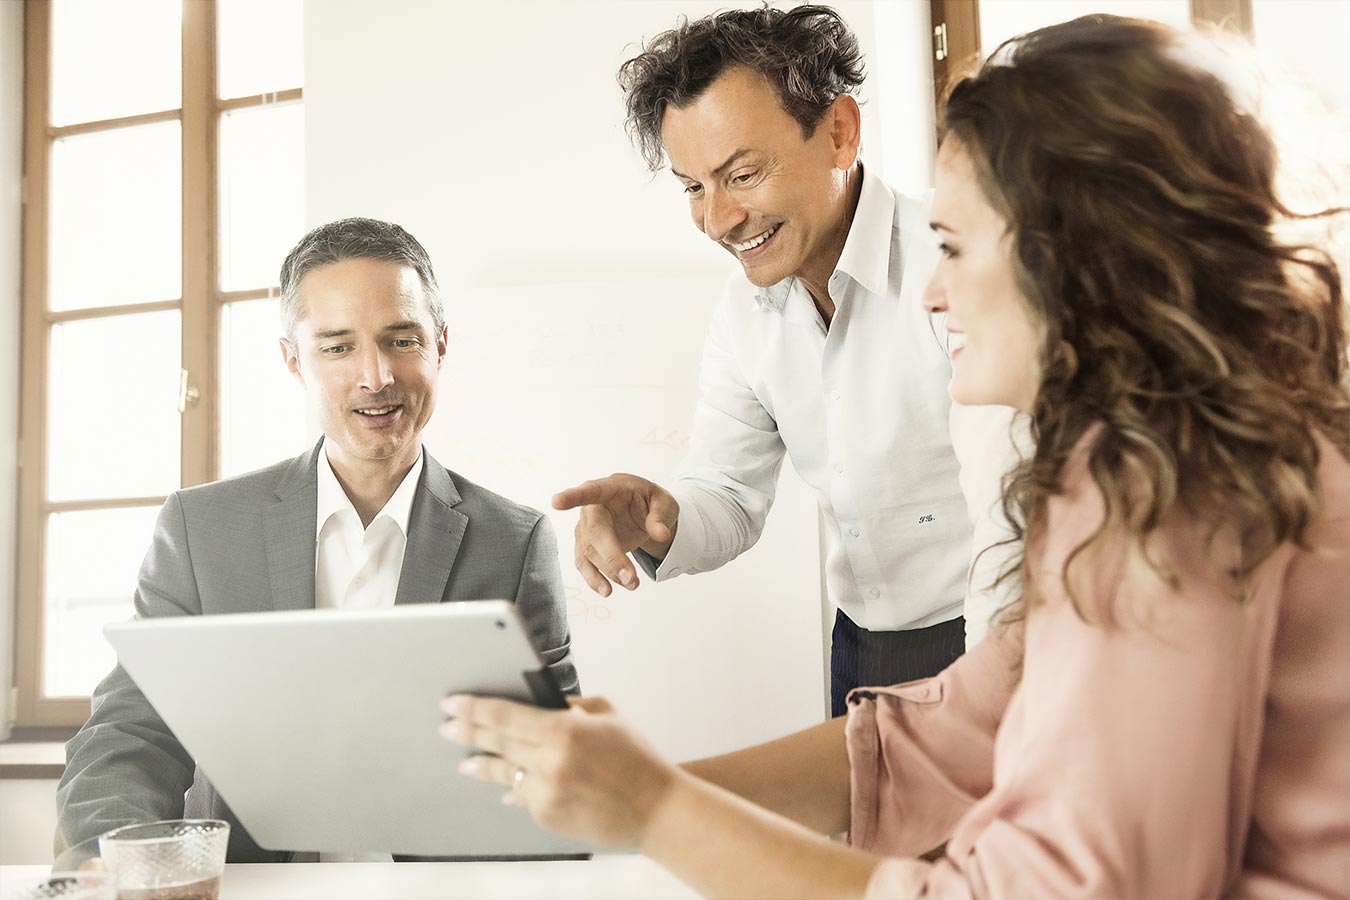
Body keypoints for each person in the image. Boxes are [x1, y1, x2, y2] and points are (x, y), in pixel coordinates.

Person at [444, 16, 1350, 898]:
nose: (937, 291)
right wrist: (636, 784)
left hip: (964, 620)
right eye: (692, 186)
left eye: (742, 172)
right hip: (881, 645)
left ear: (1079, 250)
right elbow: (950, 727)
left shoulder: (1161, 495)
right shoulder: (1161, 455)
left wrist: (655, 809)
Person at [55, 217, 579, 866]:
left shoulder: (516, 541)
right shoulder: (202, 530)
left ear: (440, 345)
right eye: (337, 347)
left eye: (401, 339)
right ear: (292, 360)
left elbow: (556, 758)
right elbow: (130, 732)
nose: (375, 375)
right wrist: (113, 861)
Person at [553, 5, 1017, 715]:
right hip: (862, 643)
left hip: (992, 630)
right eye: (692, 187)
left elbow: (1013, 514)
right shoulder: (745, 316)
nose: (717, 219)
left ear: (839, 132)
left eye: (741, 174)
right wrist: (663, 516)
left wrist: (992, 688)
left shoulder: (949, 266)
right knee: (864, 827)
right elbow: (730, 496)